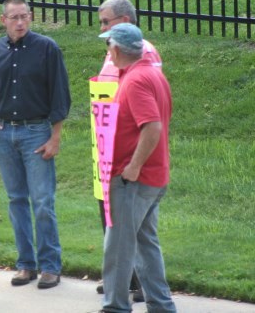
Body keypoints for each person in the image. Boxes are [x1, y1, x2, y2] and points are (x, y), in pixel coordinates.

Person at [0, 0, 71, 289]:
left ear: (31, 16)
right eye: (14, 17)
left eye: (24, 16)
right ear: (4, 21)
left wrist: (55, 136)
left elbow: (60, 94)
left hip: (37, 133)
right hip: (4, 134)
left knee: (42, 202)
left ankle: (50, 266)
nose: (20, 22)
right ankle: (26, 265)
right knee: (16, 200)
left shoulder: (46, 48)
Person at [98, 23, 176, 313]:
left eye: (108, 46)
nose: (108, 52)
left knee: (118, 249)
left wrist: (132, 167)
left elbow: (152, 127)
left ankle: (115, 307)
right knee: (146, 244)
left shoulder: (135, 81)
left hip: (135, 180)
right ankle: (161, 305)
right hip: (153, 177)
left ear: (116, 49)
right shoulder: (151, 74)